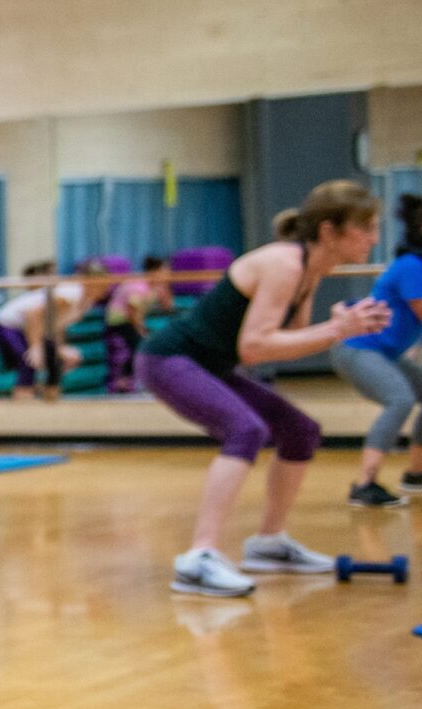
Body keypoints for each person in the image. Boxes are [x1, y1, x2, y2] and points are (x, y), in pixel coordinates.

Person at [138, 180, 389, 596]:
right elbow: (254, 348)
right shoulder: (285, 264)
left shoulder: (310, 269)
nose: (374, 238)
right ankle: (198, 558)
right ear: (329, 231)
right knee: (246, 428)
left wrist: (341, 326)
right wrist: (335, 329)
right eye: (365, 228)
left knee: (300, 431)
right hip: (168, 360)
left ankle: (269, 544)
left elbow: (287, 339)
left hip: (207, 365)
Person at [332, 194, 422, 508]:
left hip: (386, 353)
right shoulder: (412, 266)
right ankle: (365, 484)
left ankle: (415, 474)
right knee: (401, 399)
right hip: (358, 349)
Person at [0, 260, 105, 399]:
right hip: (10, 323)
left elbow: (56, 324)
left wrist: (60, 348)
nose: (105, 287)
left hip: (36, 327)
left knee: (56, 363)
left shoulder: (87, 301)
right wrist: (35, 347)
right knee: (29, 361)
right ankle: (23, 401)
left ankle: (48, 399)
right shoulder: (71, 293)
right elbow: (33, 314)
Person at [103, 256, 174, 393]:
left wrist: (165, 288)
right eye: (164, 271)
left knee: (150, 342)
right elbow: (133, 313)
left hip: (133, 320)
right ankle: (124, 381)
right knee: (139, 346)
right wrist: (141, 331)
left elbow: (168, 307)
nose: (168, 274)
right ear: (154, 271)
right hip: (118, 321)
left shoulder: (156, 287)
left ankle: (137, 379)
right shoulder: (138, 285)